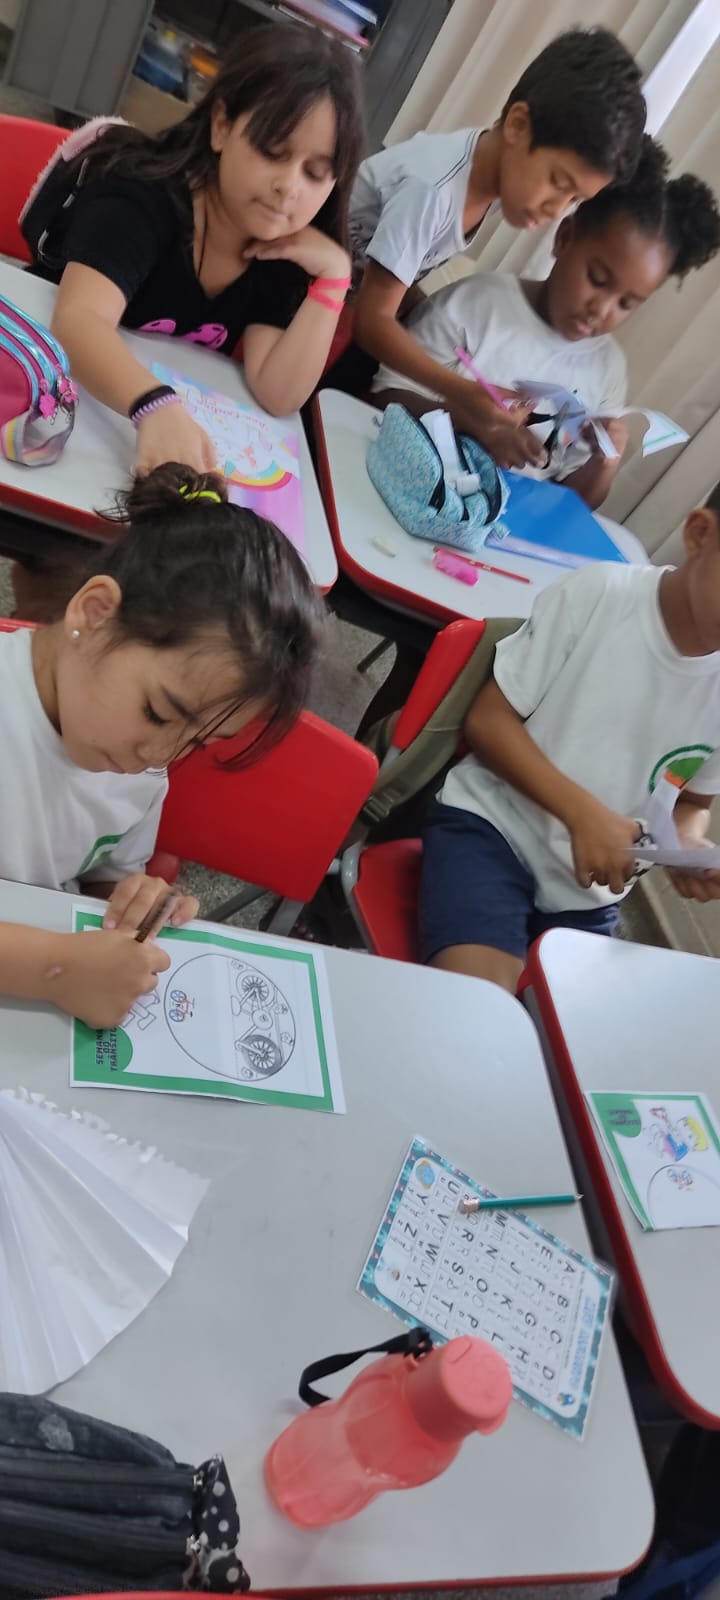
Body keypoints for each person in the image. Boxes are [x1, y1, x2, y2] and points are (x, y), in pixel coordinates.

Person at [0, 464, 323, 1028]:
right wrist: (52, 968)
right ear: (94, 614)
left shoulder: (141, 772)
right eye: (158, 712)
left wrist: (134, 900)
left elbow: (100, 875)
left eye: (198, 740)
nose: (160, 756)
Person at [21, 22, 364, 476]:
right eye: (272, 152)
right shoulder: (139, 191)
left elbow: (278, 394)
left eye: (315, 173)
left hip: (114, 440)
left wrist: (334, 278)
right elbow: (78, 321)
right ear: (221, 126)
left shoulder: (281, 251)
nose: (289, 187)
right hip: (35, 395)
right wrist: (154, 405)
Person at [419, 483, 720, 993]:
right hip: (493, 830)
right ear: (699, 535)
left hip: (590, 893)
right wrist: (583, 815)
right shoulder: (600, 596)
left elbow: (691, 801)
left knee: (569, 1033)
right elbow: (488, 722)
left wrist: (687, 844)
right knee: (481, 1005)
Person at [344, 25, 646, 470]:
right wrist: (465, 392)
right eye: (557, 182)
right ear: (519, 125)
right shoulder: (435, 190)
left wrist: (432, 312)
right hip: (286, 292)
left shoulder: (485, 185)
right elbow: (372, 322)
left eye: (574, 199)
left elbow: (387, 273)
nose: (556, 209)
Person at [372, 137, 720, 506]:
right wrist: (469, 423)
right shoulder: (476, 305)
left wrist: (604, 464)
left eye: (626, 303)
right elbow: (381, 397)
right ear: (564, 238)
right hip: (408, 491)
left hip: (502, 526)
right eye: (597, 279)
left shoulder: (608, 370)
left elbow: (573, 503)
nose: (601, 310)